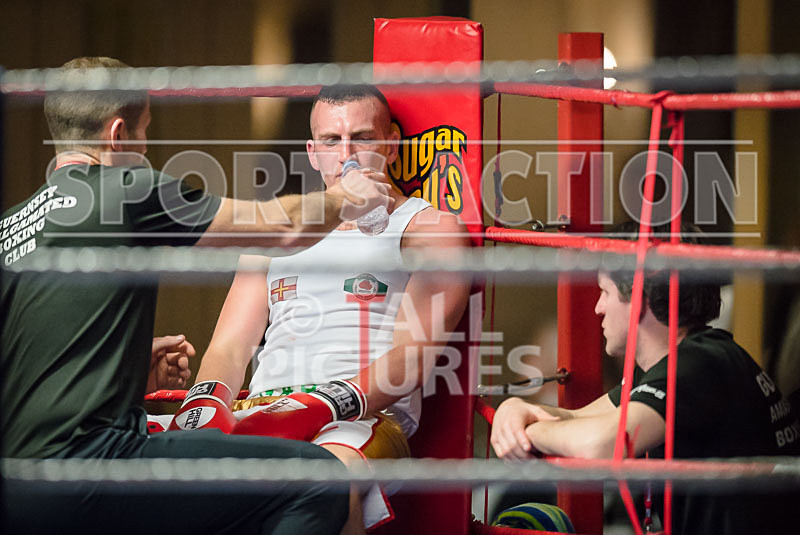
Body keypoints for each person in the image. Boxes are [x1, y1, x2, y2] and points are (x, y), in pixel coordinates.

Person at [0, 56, 395, 534]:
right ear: (118, 135)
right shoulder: (125, 186)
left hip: (17, 486)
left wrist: (120, 366)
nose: (145, 150)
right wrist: (347, 195)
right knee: (317, 480)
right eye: (144, 135)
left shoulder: (11, 227)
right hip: (99, 467)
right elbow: (283, 227)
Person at [176, 85, 472, 533]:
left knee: (322, 482)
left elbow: (411, 358)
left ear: (390, 144)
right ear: (313, 153)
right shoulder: (276, 230)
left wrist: (321, 404)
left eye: (363, 138)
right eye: (332, 142)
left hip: (359, 419)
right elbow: (229, 347)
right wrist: (204, 405)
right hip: (262, 408)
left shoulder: (427, 226)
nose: (347, 156)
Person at [490, 221, 800, 534]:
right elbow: (574, 417)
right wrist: (514, 409)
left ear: (639, 297)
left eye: (605, 292)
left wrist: (526, 434)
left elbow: (603, 444)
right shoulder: (674, 362)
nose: (598, 308)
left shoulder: (700, 364)